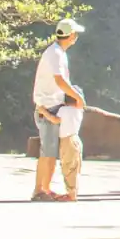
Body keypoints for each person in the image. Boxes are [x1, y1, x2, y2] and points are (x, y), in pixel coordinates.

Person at [30, 18, 86, 201]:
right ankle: (39, 190)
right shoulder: (55, 53)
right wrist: (78, 97)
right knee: (47, 152)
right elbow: (60, 81)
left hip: (52, 107)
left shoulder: (58, 52)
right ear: (71, 36)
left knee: (51, 153)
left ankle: (45, 189)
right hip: (47, 108)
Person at [34, 87, 85, 201]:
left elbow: (55, 120)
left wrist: (43, 111)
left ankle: (71, 195)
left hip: (67, 141)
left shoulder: (63, 110)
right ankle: (73, 192)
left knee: (67, 167)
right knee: (75, 168)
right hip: (76, 140)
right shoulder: (79, 110)